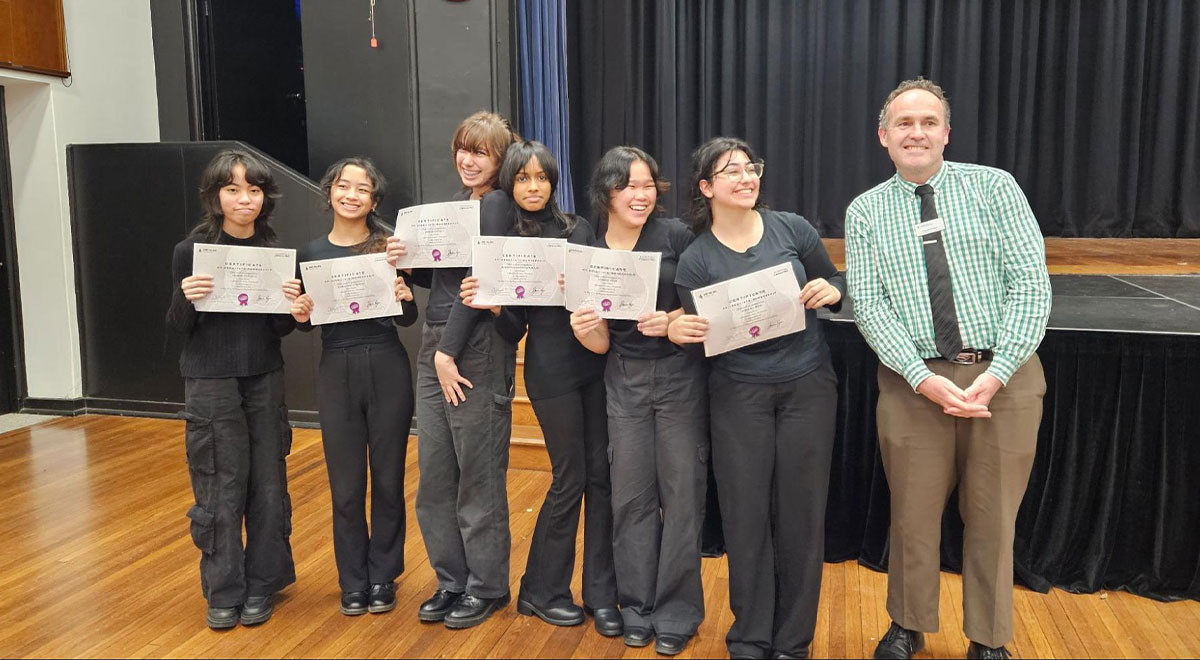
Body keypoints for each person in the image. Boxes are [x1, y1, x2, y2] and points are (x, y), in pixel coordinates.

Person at [844, 78, 1051, 660]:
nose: (917, 132)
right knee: (912, 516)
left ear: (946, 132)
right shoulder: (865, 211)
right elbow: (870, 304)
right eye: (904, 123)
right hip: (914, 384)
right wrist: (921, 377)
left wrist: (998, 372)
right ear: (884, 136)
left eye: (928, 122)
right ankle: (908, 625)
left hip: (1004, 380)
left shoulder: (994, 187)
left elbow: (1030, 283)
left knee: (993, 518)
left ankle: (988, 637)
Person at [670, 137, 844, 659]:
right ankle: (749, 636)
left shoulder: (792, 229)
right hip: (737, 394)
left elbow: (832, 278)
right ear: (706, 187)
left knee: (802, 515)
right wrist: (683, 329)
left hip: (808, 387)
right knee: (744, 516)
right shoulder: (695, 261)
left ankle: (793, 641)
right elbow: (702, 334)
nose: (746, 178)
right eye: (732, 172)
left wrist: (834, 290)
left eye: (751, 169)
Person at [460, 140, 621, 637]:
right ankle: (541, 589)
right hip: (550, 372)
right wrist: (494, 306)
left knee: (602, 478)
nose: (534, 187)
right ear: (510, 184)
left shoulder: (578, 228)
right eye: (523, 178)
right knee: (569, 477)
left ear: (553, 181)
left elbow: (603, 294)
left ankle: (601, 593)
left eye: (542, 177)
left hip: (595, 363)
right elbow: (514, 330)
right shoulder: (508, 240)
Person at [568, 146, 707, 655]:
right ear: (606, 192)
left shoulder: (677, 236)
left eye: (648, 185)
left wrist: (672, 320)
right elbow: (601, 343)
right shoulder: (590, 246)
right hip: (622, 378)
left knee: (682, 496)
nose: (640, 195)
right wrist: (584, 328)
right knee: (630, 499)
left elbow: (705, 304)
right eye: (628, 185)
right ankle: (637, 606)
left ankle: (677, 612)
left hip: (679, 376)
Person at [387, 111, 519, 629]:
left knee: (477, 476)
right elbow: (444, 279)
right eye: (464, 149)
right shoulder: (459, 206)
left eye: (481, 152)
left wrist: (448, 353)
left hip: (473, 344)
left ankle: (487, 587)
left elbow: (479, 280)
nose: (468, 159)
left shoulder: (497, 204)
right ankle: (451, 580)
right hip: (437, 341)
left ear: (500, 160)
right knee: (436, 476)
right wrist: (409, 264)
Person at [167, 149, 298, 629]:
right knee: (219, 482)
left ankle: (263, 583)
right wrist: (187, 298)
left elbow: (280, 328)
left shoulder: (276, 255)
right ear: (215, 196)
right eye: (233, 189)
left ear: (265, 197)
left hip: (264, 375)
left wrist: (293, 308)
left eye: (254, 190)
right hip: (210, 380)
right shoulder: (191, 251)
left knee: (268, 482)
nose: (245, 199)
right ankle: (224, 589)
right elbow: (178, 325)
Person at [287, 157, 418, 617]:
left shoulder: (388, 249)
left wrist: (406, 298)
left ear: (374, 200)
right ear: (329, 193)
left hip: (386, 363)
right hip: (336, 367)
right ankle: (353, 580)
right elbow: (305, 324)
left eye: (362, 189)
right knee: (345, 486)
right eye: (344, 186)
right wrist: (299, 314)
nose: (352, 195)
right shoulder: (309, 253)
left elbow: (407, 318)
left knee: (388, 479)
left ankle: (383, 575)